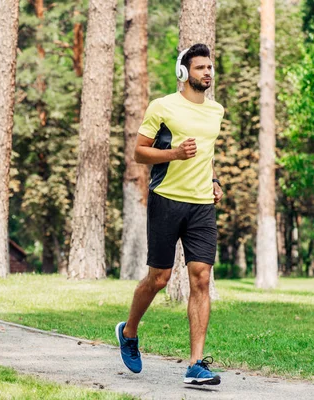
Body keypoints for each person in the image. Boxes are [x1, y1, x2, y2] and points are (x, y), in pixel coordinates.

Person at [115, 43, 224, 386]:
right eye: (200, 67)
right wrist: (174, 154)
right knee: (159, 279)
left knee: (201, 277)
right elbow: (139, 153)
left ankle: (196, 364)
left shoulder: (216, 111)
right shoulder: (162, 107)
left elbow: (206, 154)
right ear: (183, 72)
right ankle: (129, 332)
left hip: (202, 205)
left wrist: (214, 179)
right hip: (166, 200)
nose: (207, 72)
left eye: (209, 67)